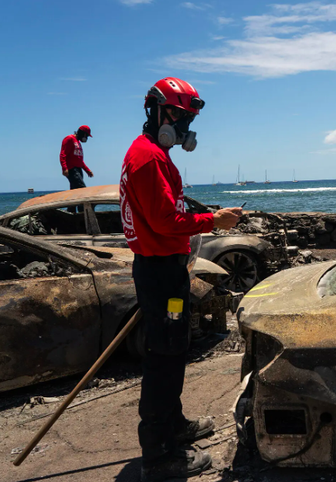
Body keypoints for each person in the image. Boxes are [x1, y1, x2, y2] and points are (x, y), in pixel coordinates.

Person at [119, 77, 242, 482]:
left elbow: (168, 208)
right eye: (180, 116)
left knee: (173, 349)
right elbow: (164, 220)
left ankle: (175, 425)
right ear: (157, 113)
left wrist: (202, 216)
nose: (186, 126)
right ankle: (158, 457)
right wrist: (213, 220)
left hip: (166, 273)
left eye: (188, 118)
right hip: (158, 274)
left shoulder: (153, 154)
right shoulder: (148, 158)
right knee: (163, 359)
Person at [60, 125, 94, 190]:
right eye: (86, 136)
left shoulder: (78, 142)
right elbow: (63, 154)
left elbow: (79, 160)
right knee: (81, 188)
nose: (86, 138)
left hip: (79, 170)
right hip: (72, 169)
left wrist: (87, 170)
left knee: (75, 189)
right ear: (83, 134)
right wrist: (64, 168)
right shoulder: (69, 139)